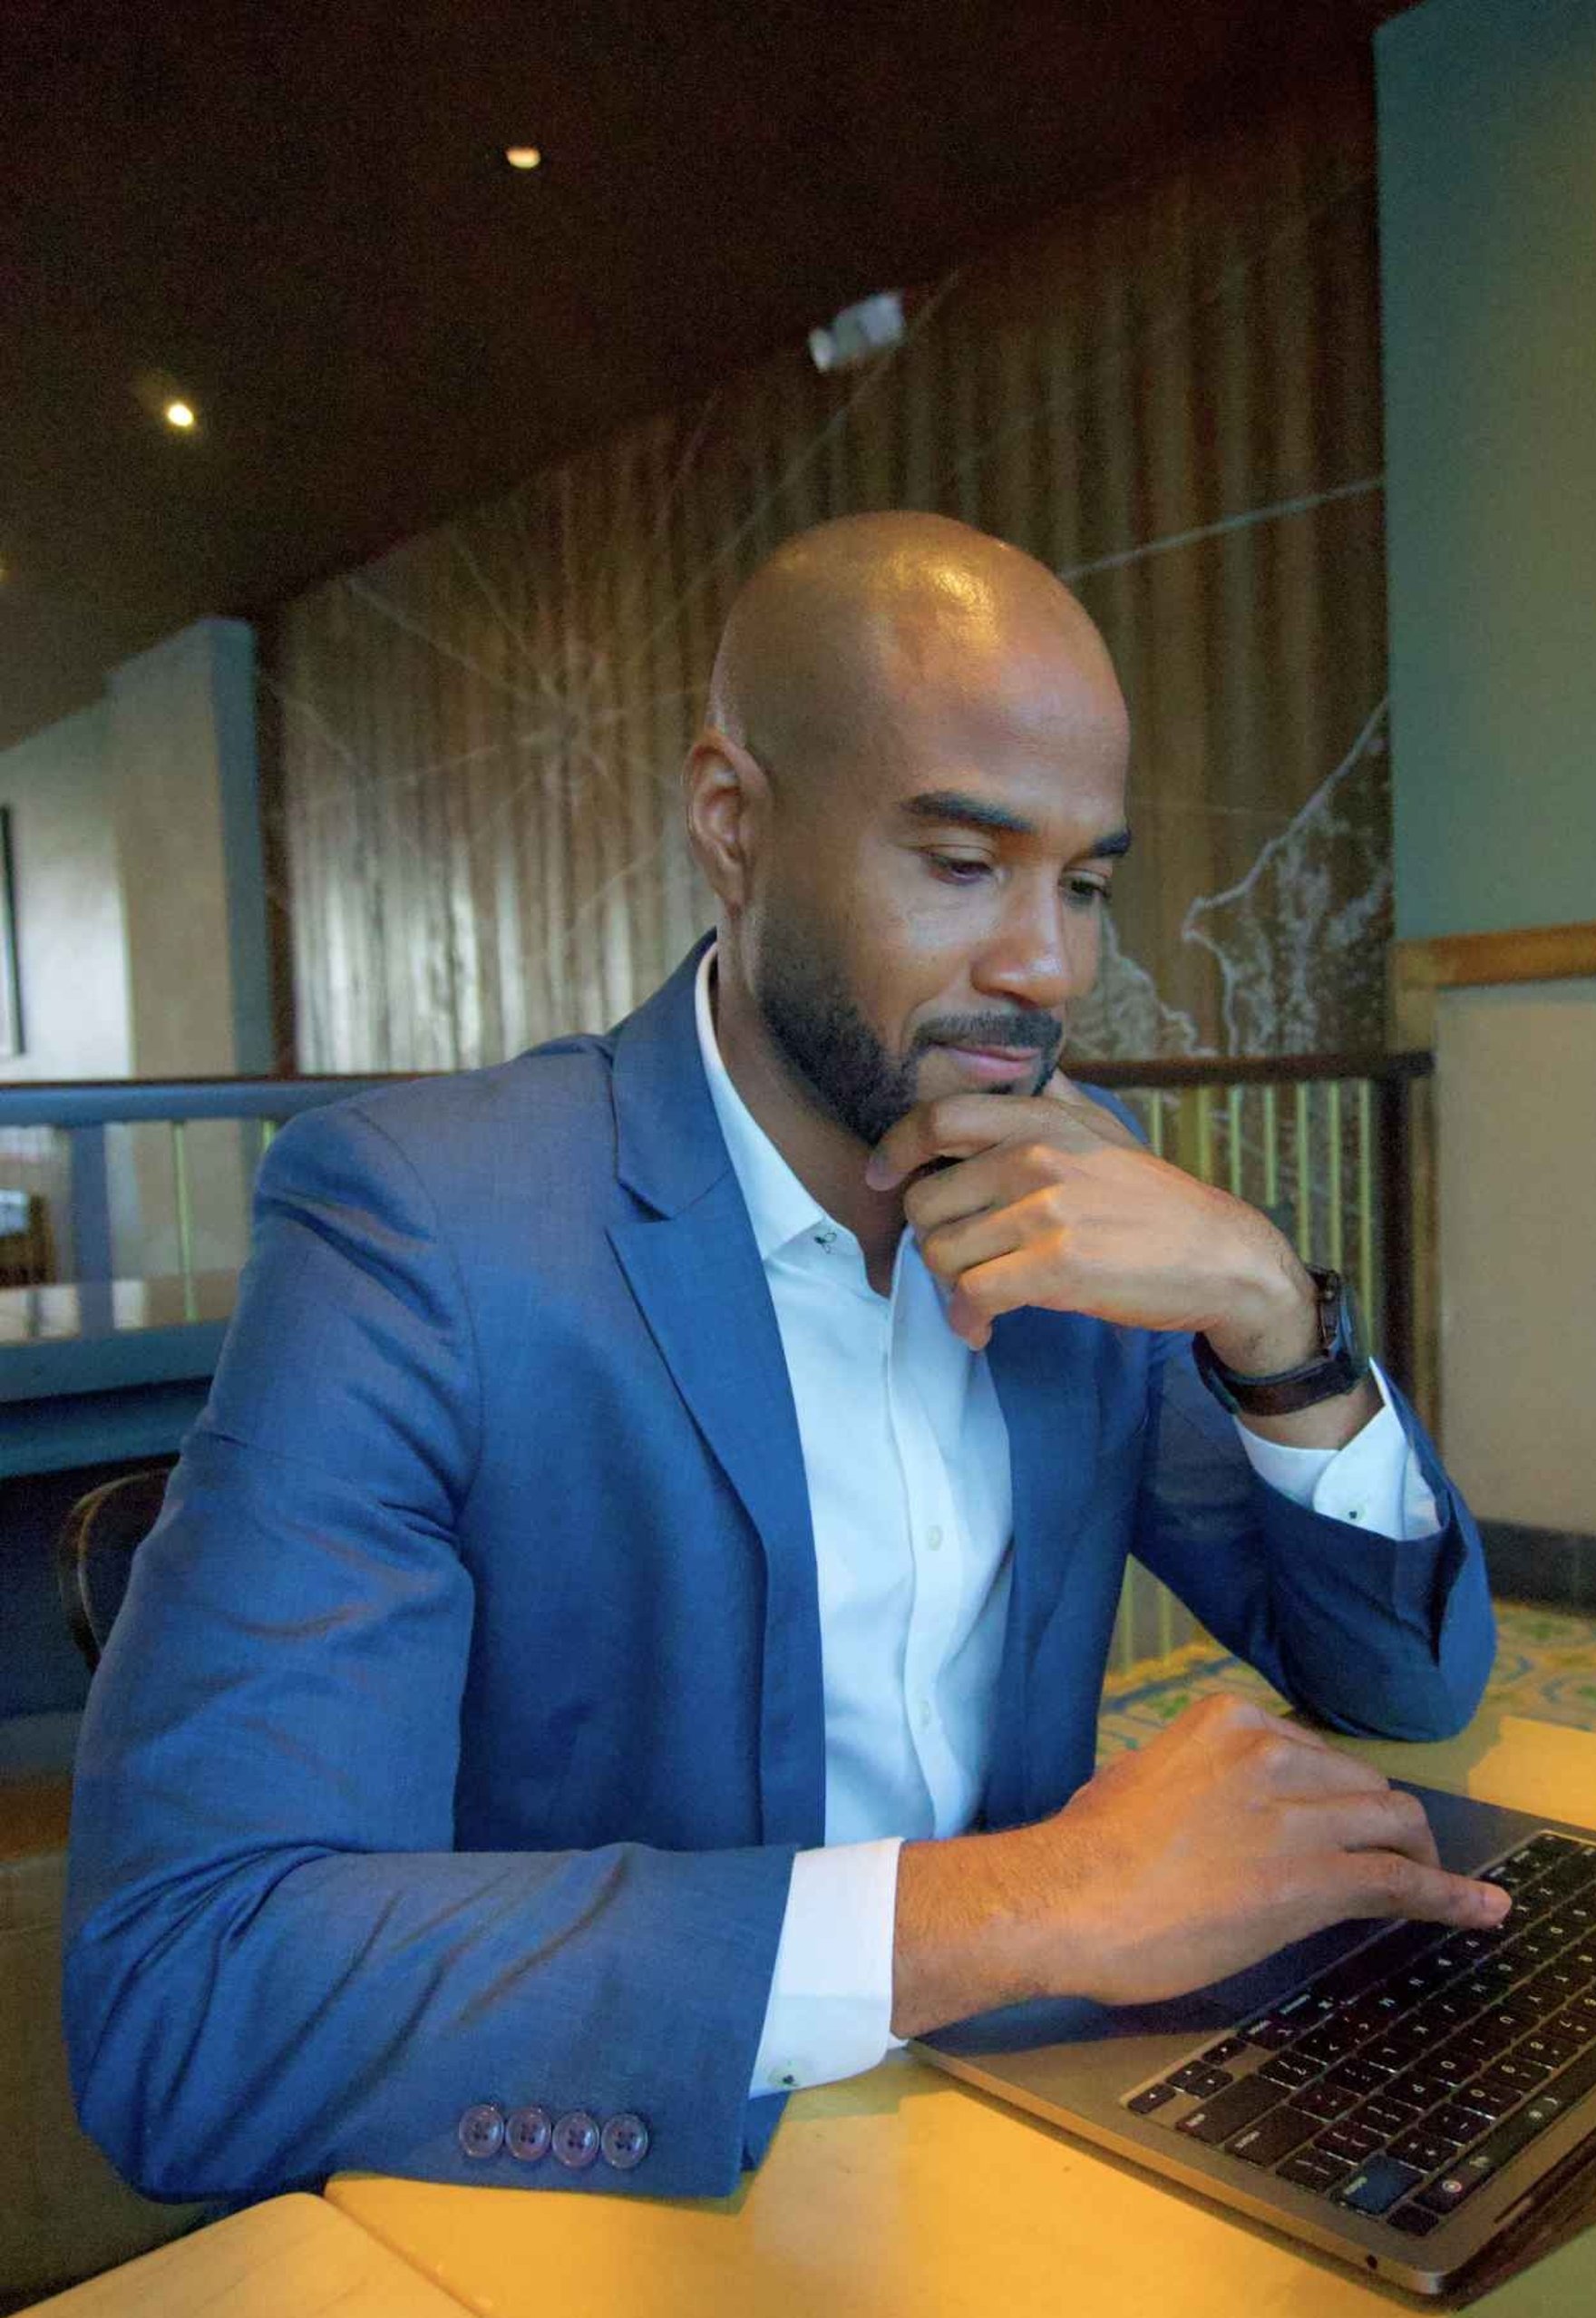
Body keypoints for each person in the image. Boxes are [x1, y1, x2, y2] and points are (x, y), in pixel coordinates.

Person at [63, 512, 1501, 2209]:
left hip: (1035, 2146)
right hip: (631, 2200)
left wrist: (1277, 1317)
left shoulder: (1070, 1184)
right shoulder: (422, 1229)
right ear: (734, 826)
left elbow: (1405, 1686)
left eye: (1087, 882)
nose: (1047, 965)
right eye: (964, 866)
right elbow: (191, 1996)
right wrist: (1027, 1903)